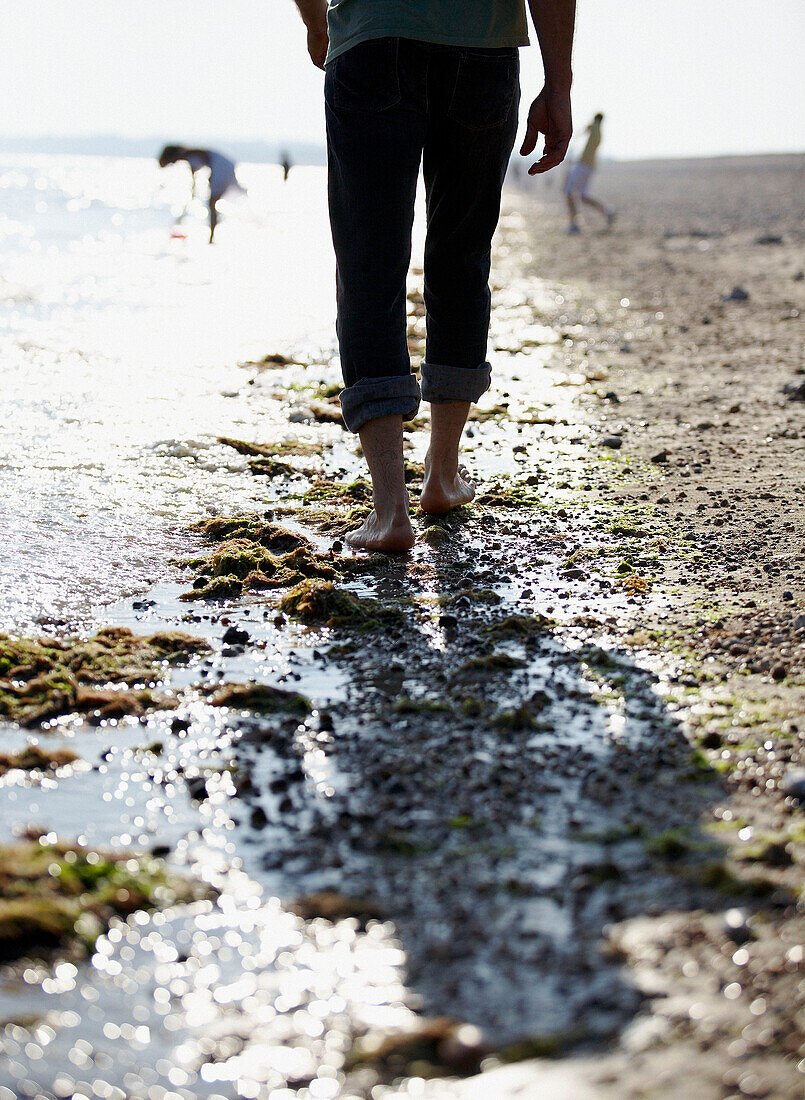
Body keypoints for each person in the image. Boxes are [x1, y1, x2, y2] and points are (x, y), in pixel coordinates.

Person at [293, 0, 575, 552]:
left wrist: (316, 21)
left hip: (373, 41)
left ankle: (389, 511)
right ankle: (442, 476)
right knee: (461, 256)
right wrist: (558, 81)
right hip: (484, 53)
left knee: (369, 264)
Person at [158, 145, 244, 243]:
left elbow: (197, 173)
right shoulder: (189, 155)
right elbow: (195, 177)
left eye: (170, 162)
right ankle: (212, 237)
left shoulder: (189, 155)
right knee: (214, 202)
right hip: (224, 165)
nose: (172, 164)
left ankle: (212, 238)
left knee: (212, 203)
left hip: (221, 167)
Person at [563, 113, 615, 233]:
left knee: (569, 192)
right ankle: (607, 211)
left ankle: (573, 224)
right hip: (588, 165)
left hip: (583, 165)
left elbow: (584, 130)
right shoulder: (599, 133)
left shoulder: (595, 127)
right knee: (582, 196)